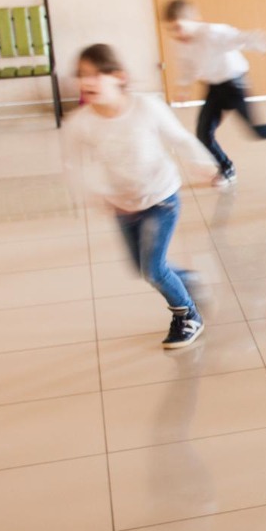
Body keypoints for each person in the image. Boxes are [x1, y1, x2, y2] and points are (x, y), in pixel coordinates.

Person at [63, 44, 218, 348]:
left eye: (96, 74)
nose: (88, 82)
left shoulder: (146, 106)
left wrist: (202, 162)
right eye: (82, 75)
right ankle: (188, 279)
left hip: (162, 197)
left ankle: (188, 316)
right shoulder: (80, 123)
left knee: (153, 269)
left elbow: (179, 138)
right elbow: (71, 165)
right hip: (125, 205)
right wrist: (96, 195)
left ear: (118, 76)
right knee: (141, 268)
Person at [163, 0, 266, 187]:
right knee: (203, 133)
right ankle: (226, 168)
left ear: (194, 20)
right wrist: (183, 87)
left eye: (180, 27)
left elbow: (246, 37)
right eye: (171, 29)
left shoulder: (213, 33)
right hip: (214, 87)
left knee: (257, 131)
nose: (177, 34)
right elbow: (186, 66)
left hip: (234, 85)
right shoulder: (180, 43)